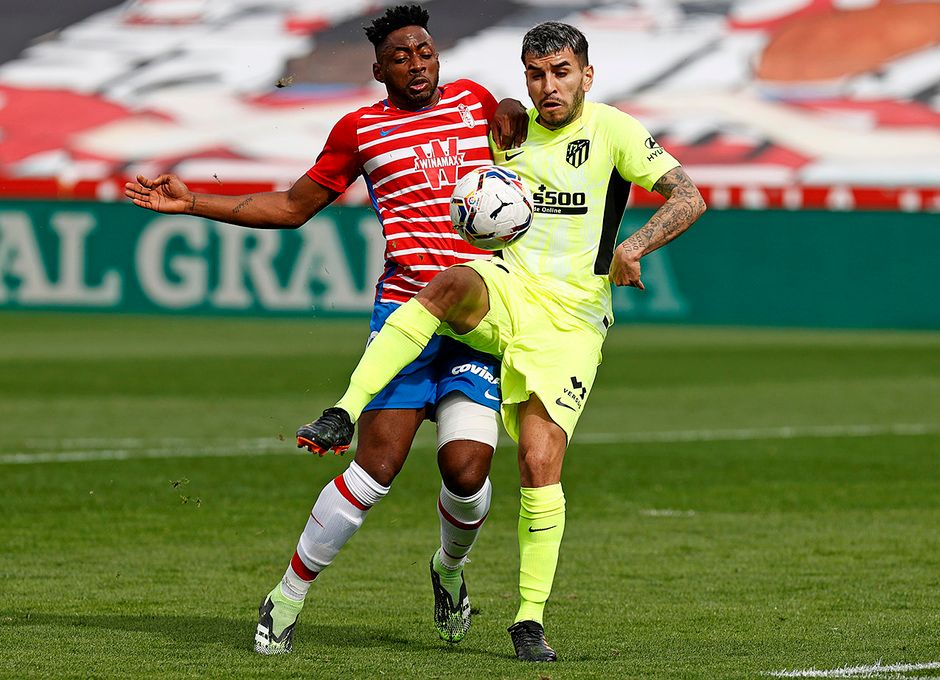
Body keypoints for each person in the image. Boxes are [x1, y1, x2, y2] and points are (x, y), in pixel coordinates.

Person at [295, 20, 707, 662]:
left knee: (539, 465)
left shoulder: (614, 131)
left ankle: (528, 618)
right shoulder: (504, 128)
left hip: (571, 322)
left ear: (586, 76)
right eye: (536, 74)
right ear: (524, 77)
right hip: (508, 290)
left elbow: (688, 195)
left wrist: (635, 245)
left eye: (562, 72)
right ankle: (344, 408)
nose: (549, 86)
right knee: (446, 284)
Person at [124, 4, 529, 655]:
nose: (418, 64)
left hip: (478, 322)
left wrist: (511, 102)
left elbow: (522, 130)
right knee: (376, 468)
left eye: (425, 51)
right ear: (378, 69)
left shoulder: (475, 102)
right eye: (402, 56)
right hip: (408, 317)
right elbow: (291, 207)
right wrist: (192, 200)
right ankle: (285, 597)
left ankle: (448, 571)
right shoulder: (360, 130)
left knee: (466, 470)